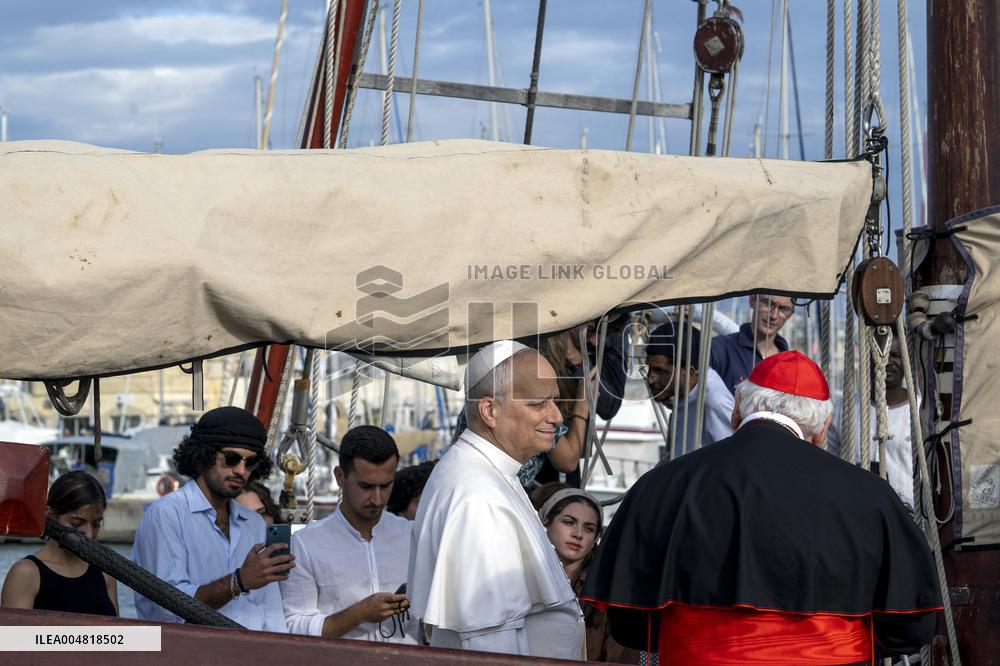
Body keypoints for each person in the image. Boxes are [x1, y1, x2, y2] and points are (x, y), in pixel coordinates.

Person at [582, 351, 943, 664]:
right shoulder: (871, 496)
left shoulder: (662, 485)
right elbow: (911, 628)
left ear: (738, 409)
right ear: (823, 427)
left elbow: (627, 624)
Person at [409, 340, 584, 659]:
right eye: (538, 404)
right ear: (490, 410)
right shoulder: (479, 498)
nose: (557, 417)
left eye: (555, 402)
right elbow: (489, 642)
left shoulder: (488, 474)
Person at [132, 406, 292, 631]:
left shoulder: (254, 523)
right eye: (231, 458)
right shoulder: (166, 514)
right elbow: (169, 609)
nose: (241, 470)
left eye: (250, 463)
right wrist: (239, 581)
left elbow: (272, 615)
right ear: (203, 455)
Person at [282, 426, 417, 642]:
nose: (378, 499)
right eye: (366, 486)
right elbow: (294, 626)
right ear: (339, 476)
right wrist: (358, 614)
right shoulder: (305, 544)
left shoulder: (412, 535)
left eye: (386, 486)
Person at [538, 486, 638, 664]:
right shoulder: (521, 576)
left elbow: (620, 659)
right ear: (545, 523)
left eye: (589, 528)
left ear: (596, 538)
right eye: (569, 522)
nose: (578, 534)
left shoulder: (608, 591)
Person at [2, 471, 118, 616]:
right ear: (50, 515)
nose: (89, 534)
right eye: (76, 523)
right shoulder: (26, 573)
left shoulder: (104, 571)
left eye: (96, 524)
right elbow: (15, 637)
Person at [827, 335, 916, 508]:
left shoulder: (920, 411)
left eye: (896, 355)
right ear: (865, 357)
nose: (887, 362)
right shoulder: (843, 409)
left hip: (909, 516)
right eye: (879, 354)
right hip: (856, 512)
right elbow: (828, 464)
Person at [645, 322, 734, 455]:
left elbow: (734, 458)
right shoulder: (683, 392)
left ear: (689, 372)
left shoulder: (714, 402)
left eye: (660, 371)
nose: (650, 379)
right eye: (649, 369)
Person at [710, 293, 794, 394]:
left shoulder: (791, 366)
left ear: (791, 313)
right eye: (768, 303)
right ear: (752, 300)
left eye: (784, 308)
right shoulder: (718, 350)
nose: (773, 315)